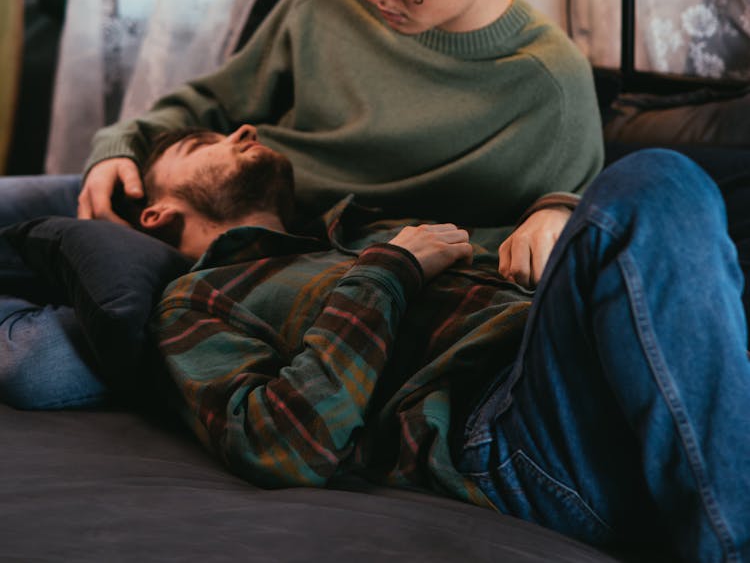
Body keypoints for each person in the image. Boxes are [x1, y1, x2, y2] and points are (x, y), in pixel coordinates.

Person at [0, 0, 604, 407]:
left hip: (276, 269)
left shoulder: (550, 85)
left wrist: (555, 209)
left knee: (41, 366)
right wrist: (120, 148)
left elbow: (570, 223)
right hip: (208, 195)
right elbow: (212, 100)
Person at [143, 125, 750, 563]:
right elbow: (283, 447)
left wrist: (555, 210)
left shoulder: (359, 229)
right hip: (508, 430)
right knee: (657, 176)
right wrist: (389, 271)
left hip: (624, 370)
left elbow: (605, 245)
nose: (243, 129)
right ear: (156, 214)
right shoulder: (198, 299)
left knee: (664, 188)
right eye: (201, 145)